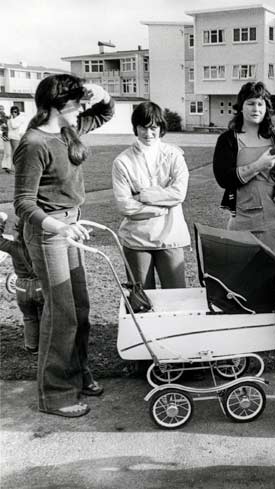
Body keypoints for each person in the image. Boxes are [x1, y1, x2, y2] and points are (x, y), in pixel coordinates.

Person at [13, 74, 114, 418]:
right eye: (78, 104)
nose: (83, 110)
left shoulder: (68, 130)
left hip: (70, 225)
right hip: (48, 232)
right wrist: (60, 227)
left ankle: (79, 373)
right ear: (61, 106)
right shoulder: (34, 143)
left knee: (80, 309)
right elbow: (24, 203)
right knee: (61, 314)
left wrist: (98, 92)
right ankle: (54, 394)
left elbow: (105, 112)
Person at [213, 81, 275, 258]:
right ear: (241, 107)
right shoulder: (228, 139)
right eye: (250, 103)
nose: (256, 109)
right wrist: (259, 165)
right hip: (246, 220)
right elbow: (223, 178)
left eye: (261, 104)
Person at [112, 101, 190, 289]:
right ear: (135, 128)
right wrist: (161, 207)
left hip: (171, 237)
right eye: (143, 127)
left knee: (176, 298)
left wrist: (142, 195)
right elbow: (125, 205)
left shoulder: (174, 155)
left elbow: (179, 193)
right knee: (142, 300)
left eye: (153, 127)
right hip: (137, 239)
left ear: (161, 127)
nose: (148, 133)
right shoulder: (122, 161)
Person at [0, 211, 43, 354]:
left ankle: (32, 346)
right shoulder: (41, 246)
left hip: (21, 287)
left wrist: (1, 220)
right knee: (45, 317)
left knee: (29, 317)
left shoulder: (14, 247)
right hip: (40, 285)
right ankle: (45, 346)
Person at [1, 105, 11, 173]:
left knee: (7, 151)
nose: (1, 110)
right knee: (8, 151)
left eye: (2, 108)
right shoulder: (1, 117)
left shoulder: (4, 115)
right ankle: (7, 166)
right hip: (5, 134)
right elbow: (3, 125)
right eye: (0, 109)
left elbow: (9, 118)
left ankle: (5, 165)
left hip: (8, 134)